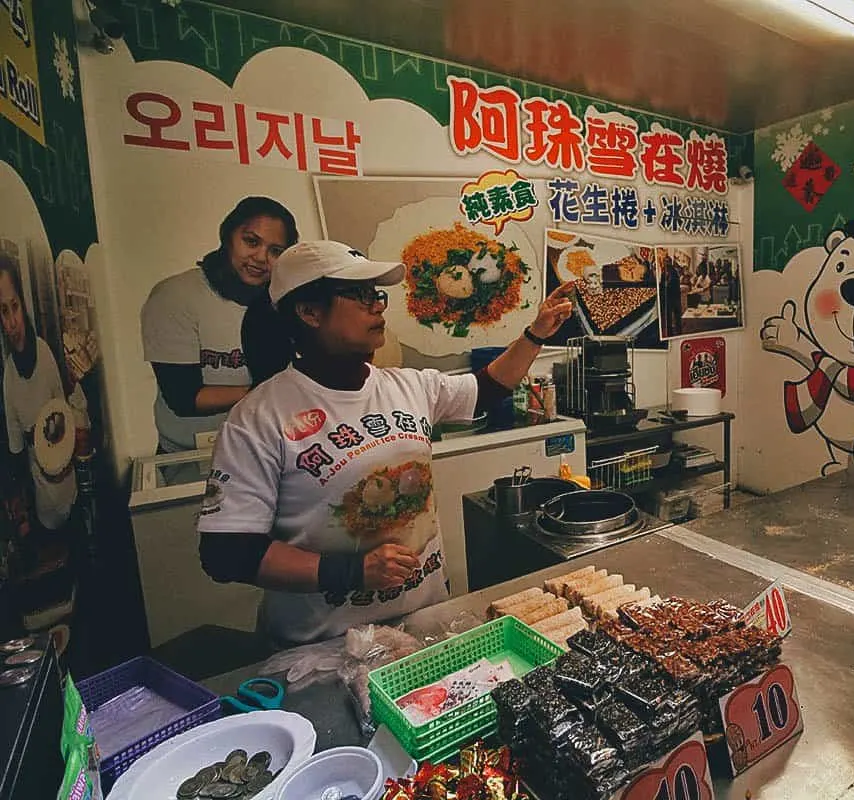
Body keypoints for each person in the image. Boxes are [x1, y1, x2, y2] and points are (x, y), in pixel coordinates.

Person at [197, 241, 575, 645]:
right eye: (359, 295)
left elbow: (487, 388)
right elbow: (227, 552)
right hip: (321, 644)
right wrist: (350, 572)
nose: (377, 306)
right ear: (309, 312)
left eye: (376, 294)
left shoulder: (407, 385)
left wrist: (536, 334)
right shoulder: (258, 417)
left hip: (424, 623)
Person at [141, 197, 298, 454]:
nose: (261, 258)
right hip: (190, 455)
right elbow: (183, 397)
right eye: (251, 241)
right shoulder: (175, 296)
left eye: (275, 251)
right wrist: (270, 391)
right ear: (227, 236)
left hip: (265, 447)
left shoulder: (283, 300)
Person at [0, 254, 76, 533]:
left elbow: (65, 412)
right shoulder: (8, 376)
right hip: (42, 499)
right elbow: (16, 447)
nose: (11, 323)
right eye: (2, 313)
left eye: (14, 308)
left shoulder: (44, 353)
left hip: (68, 485)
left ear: (23, 304)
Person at [660, 256, 683, 337]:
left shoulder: (674, 272)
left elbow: (674, 285)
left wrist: (667, 284)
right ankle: (670, 334)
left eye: (667, 261)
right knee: (668, 318)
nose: (666, 263)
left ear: (670, 262)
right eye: (665, 262)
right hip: (668, 298)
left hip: (675, 297)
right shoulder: (663, 273)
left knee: (677, 317)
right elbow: (662, 285)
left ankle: (679, 333)